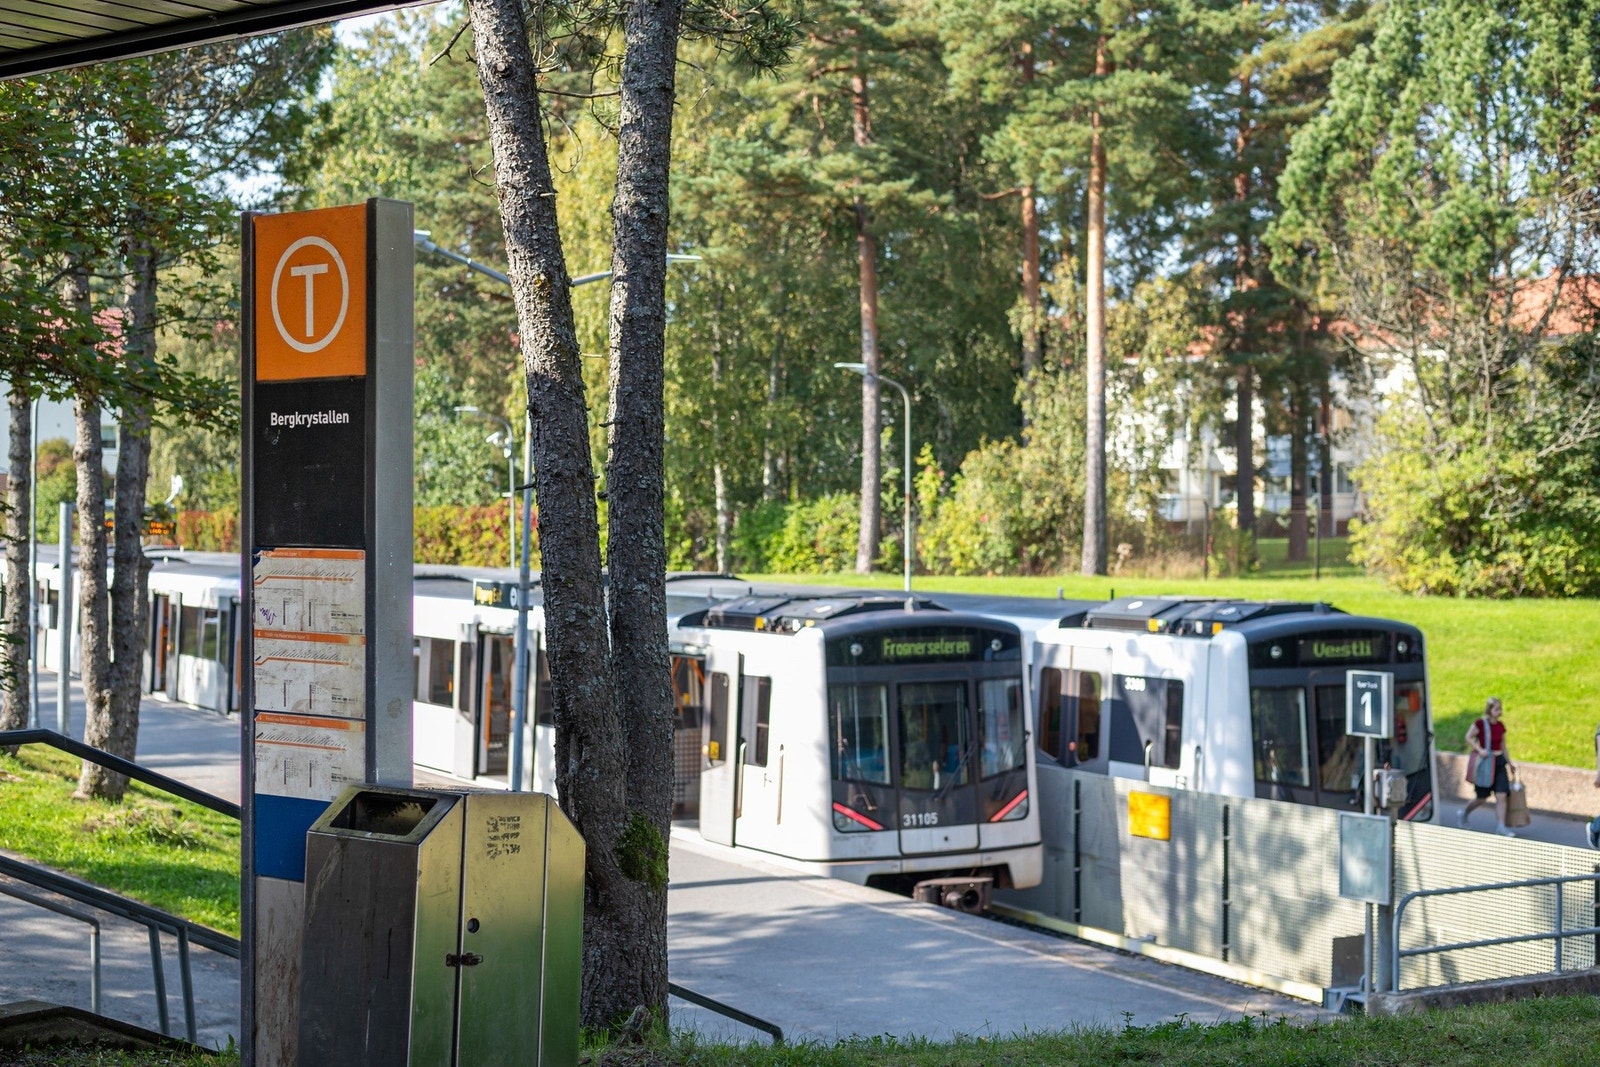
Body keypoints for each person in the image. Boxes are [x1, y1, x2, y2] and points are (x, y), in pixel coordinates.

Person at [1458, 697, 1517, 836]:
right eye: (1496, 708)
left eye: (1500, 708)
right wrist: (1479, 750)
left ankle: (1501, 827)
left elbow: (1503, 746)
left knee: (1502, 795)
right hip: (1486, 764)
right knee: (1481, 798)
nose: (1499, 711)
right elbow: (1468, 737)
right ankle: (1464, 813)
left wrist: (1509, 763)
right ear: (1489, 710)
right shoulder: (1480, 723)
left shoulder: (1500, 726)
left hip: (1499, 762)